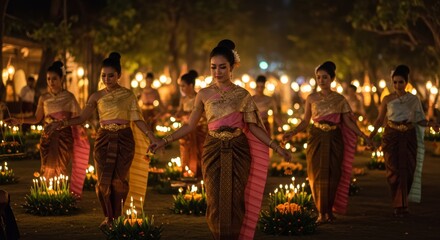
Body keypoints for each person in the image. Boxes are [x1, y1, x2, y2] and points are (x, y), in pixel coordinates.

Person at [149, 39, 291, 240]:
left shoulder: (242, 95)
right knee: (215, 199)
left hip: (239, 149)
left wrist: (276, 147)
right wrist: (164, 140)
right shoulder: (204, 94)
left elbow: (253, 127)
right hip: (213, 148)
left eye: (222, 67)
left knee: (235, 198)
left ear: (232, 67)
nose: (217, 72)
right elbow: (190, 125)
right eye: (213, 67)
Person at [46, 52, 157, 228]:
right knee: (104, 181)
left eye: (111, 75)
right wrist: (60, 124)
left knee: (119, 181)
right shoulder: (96, 96)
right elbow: (82, 118)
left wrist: (152, 137)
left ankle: (118, 216)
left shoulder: (128, 95)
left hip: (125, 139)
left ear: (119, 75)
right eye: (103, 75)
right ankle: (108, 217)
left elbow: (138, 120)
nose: (107, 79)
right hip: (103, 139)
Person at [283, 61, 371, 224]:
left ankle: (329, 211)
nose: (321, 80)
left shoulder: (339, 99)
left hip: (335, 139)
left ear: (332, 79)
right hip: (316, 138)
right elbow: (305, 121)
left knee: (333, 174)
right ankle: (320, 212)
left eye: (325, 77)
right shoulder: (311, 98)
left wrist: (363, 136)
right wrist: (292, 132)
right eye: (318, 77)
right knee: (316, 174)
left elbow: (349, 122)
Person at [7, 61, 90, 198]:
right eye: (48, 79)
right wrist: (19, 121)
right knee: (47, 167)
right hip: (48, 136)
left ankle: (60, 195)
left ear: (61, 79)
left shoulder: (69, 97)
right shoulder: (43, 98)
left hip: (64, 137)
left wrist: (63, 123)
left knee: (61, 167)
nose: (51, 82)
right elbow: (37, 118)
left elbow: (80, 118)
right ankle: (47, 195)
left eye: (54, 79)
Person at [369, 64, 439, 217]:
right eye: (395, 82)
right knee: (393, 171)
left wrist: (431, 124)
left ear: (406, 82)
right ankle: (399, 204)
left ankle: (402, 204)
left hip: (408, 136)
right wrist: (372, 134)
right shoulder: (387, 99)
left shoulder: (413, 99)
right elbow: (380, 119)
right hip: (391, 137)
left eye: (401, 82)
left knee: (408, 170)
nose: (397, 85)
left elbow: (420, 119)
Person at [175, 70, 207, 179]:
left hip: (198, 130)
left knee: (198, 153)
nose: (182, 89)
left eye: (183, 86)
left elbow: (203, 114)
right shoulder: (183, 99)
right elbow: (180, 111)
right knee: (185, 152)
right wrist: (178, 114)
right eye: (180, 86)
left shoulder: (199, 97)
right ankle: (186, 173)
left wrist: (187, 115)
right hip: (185, 131)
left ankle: (198, 175)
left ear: (191, 85)